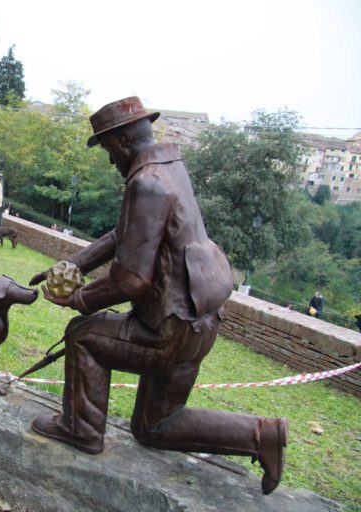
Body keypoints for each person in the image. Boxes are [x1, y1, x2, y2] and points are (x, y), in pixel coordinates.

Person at [27, 96, 286, 495]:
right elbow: (125, 235)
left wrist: (78, 299)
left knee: (83, 335)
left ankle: (81, 429)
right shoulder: (171, 169)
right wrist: (74, 263)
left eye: (109, 149)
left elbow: (131, 281)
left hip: (168, 330)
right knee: (154, 426)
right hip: (199, 324)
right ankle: (260, 435)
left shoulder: (145, 182)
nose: (111, 160)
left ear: (124, 139)